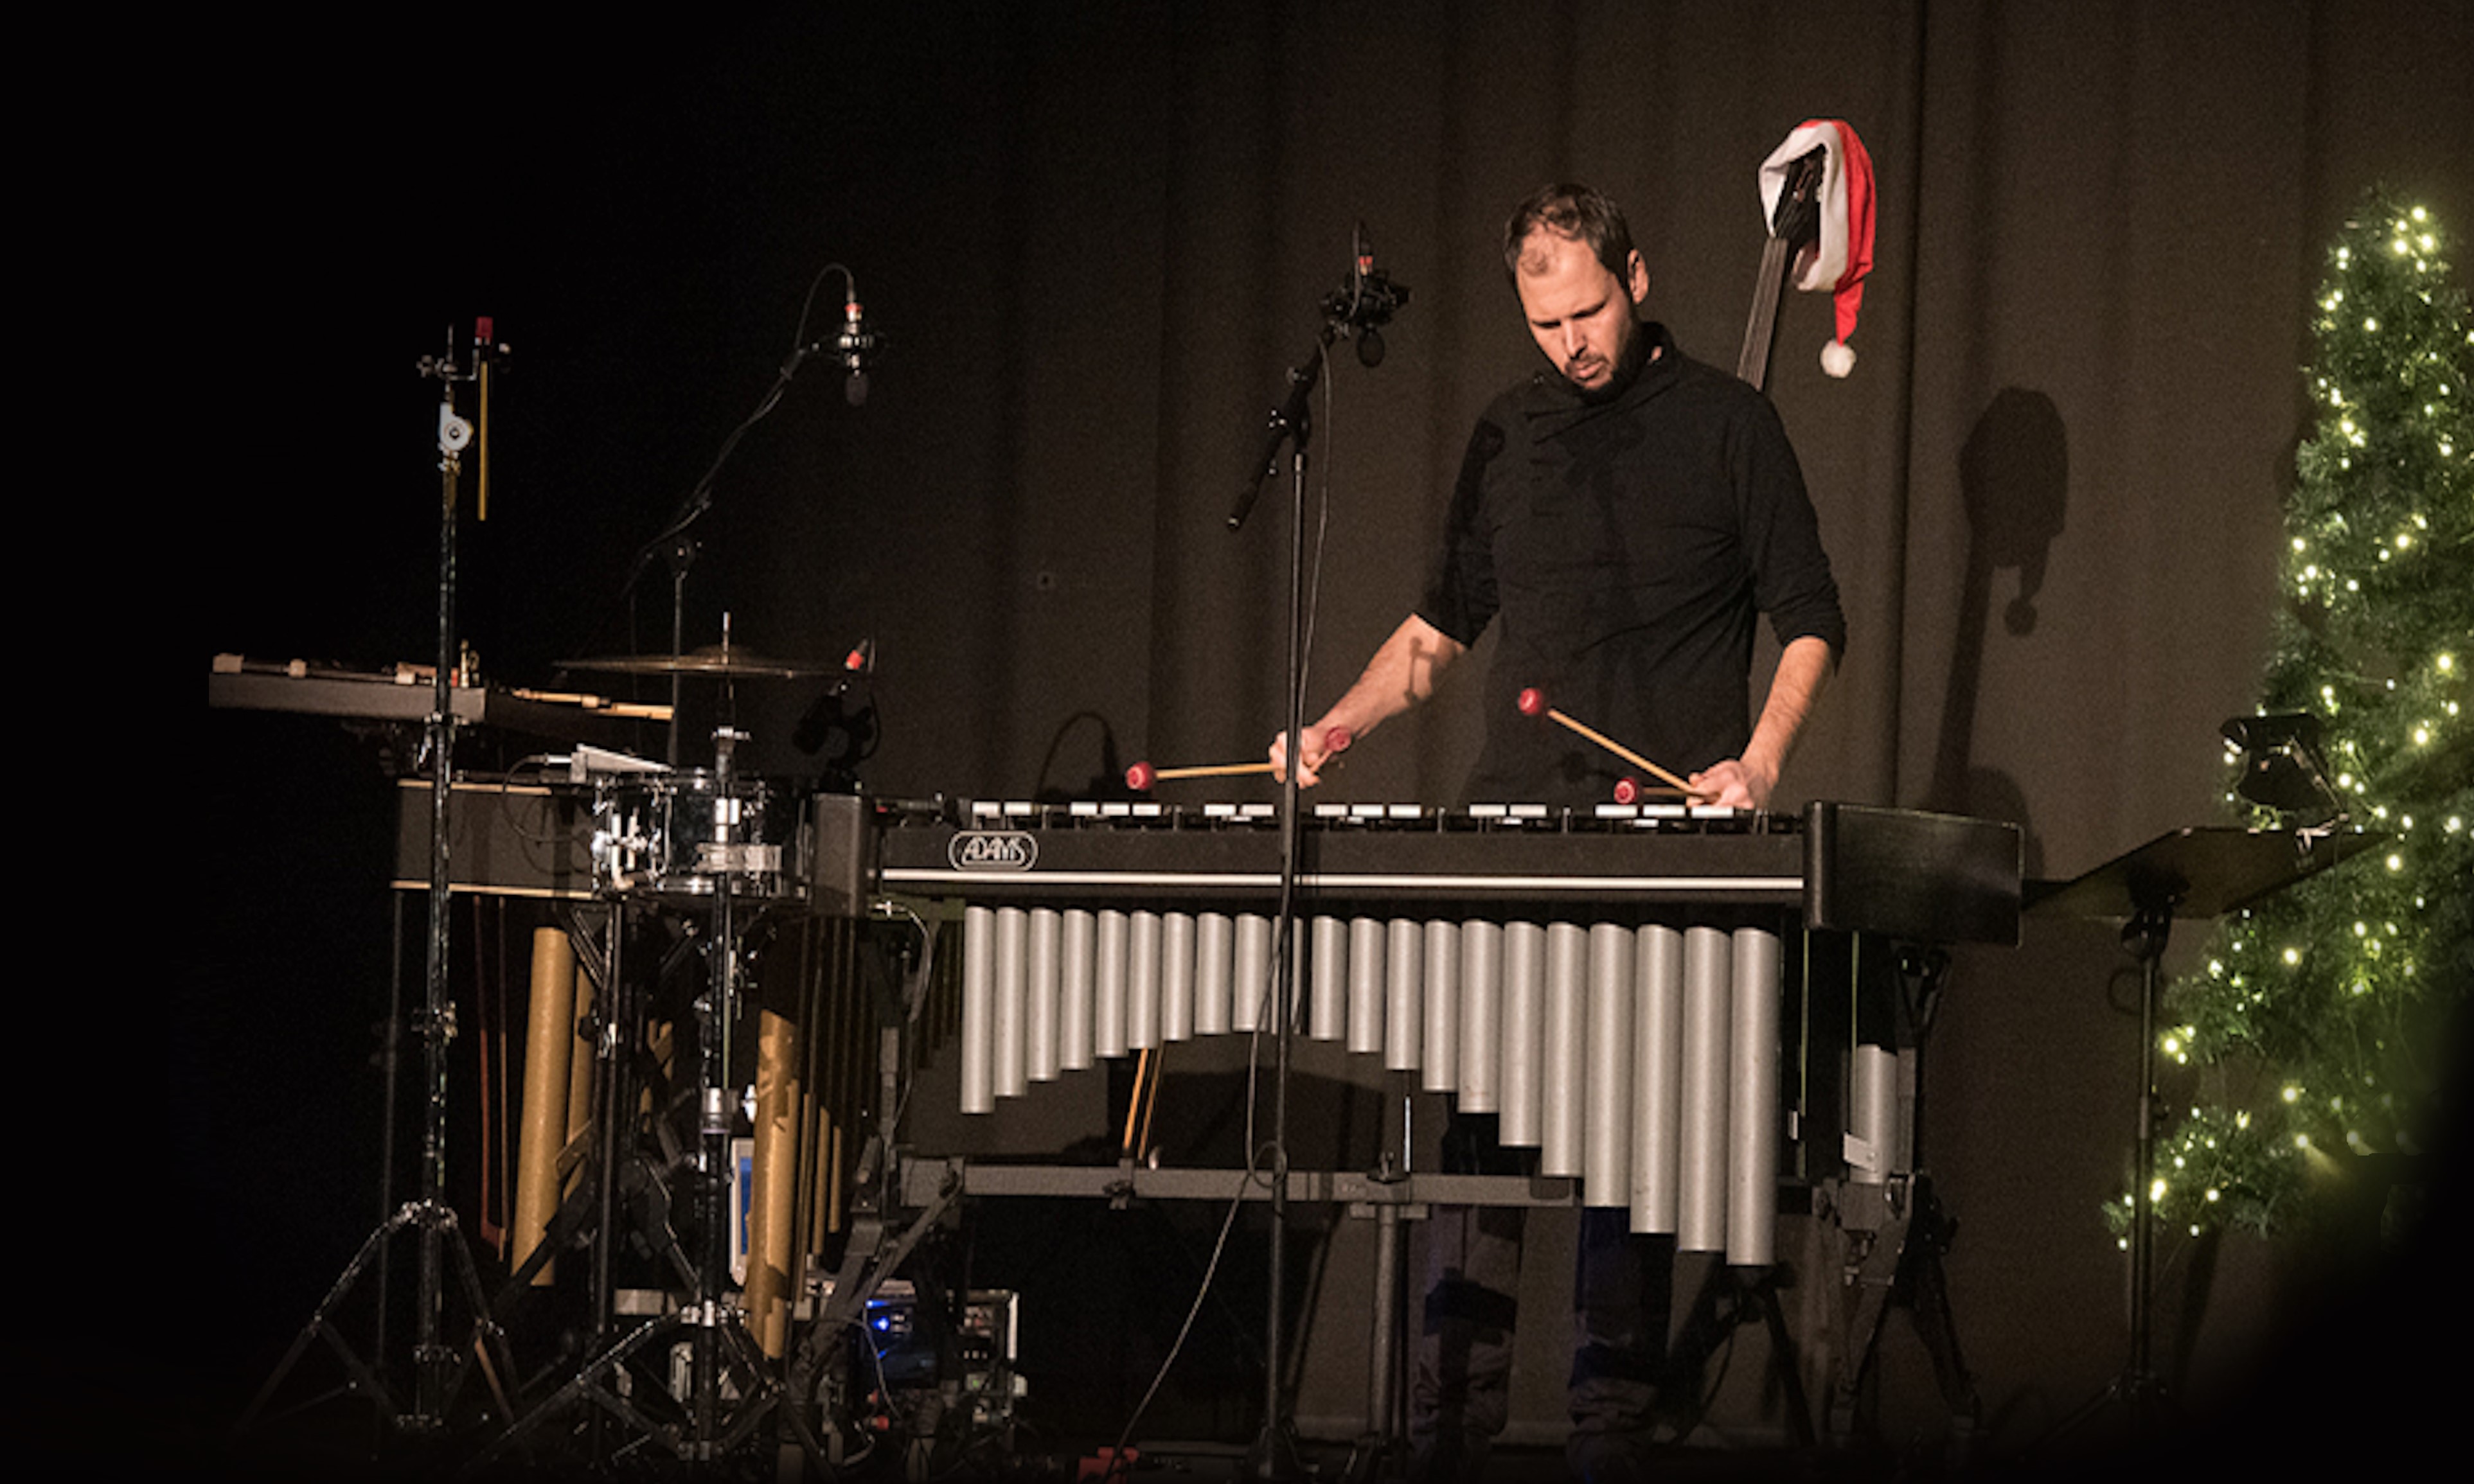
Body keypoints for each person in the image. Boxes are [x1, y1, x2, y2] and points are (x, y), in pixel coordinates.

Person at [1270, 183, 1845, 1480]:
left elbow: (1810, 617)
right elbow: (1434, 638)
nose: (1568, 342)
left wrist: (1754, 761)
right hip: (1502, 842)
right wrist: (1335, 729)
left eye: (1585, 311)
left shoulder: (1728, 426)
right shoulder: (1507, 432)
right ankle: (1442, 1441)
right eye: (1542, 322)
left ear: (1635, 278)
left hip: (1653, 851)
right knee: (1469, 1161)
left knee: (1622, 1174)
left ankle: (1605, 1446)